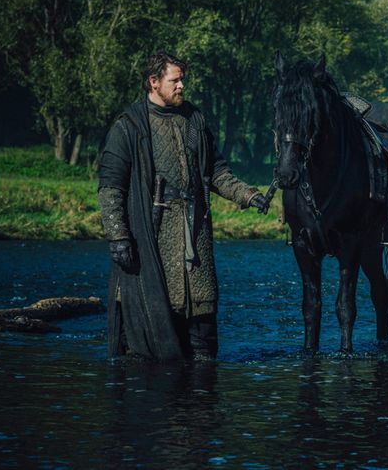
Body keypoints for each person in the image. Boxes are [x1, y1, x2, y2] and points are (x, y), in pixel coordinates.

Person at [98, 52, 268, 360]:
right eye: (175, 80)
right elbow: (111, 188)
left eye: (182, 80)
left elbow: (216, 171)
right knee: (141, 345)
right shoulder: (128, 127)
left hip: (194, 236)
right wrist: (118, 237)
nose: (181, 86)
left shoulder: (195, 121)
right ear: (154, 82)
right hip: (149, 237)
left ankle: (201, 403)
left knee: (202, 340)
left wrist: (248, 195)